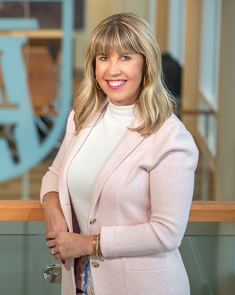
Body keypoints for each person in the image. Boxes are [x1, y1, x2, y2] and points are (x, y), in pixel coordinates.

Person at [40, 13, 198, 295]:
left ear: (146, 63)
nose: (112, 70)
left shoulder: (170, 137)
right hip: (79, 284)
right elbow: (55, 174)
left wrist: (87, 244)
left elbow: (166, 232)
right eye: (104, 58)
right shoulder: (82, 118)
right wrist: (52, 209)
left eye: (125, 57)